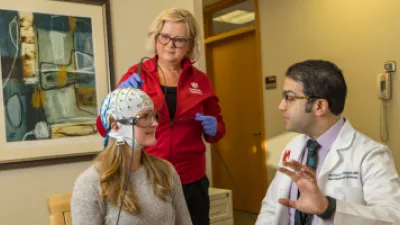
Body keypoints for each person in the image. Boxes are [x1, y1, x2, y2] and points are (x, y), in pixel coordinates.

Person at [95, 8, 225, 225]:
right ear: (155, 38)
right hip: (148, 177)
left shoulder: (202, 81)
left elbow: (218, 131)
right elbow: (104, 127)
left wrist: (214, 128)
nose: (170, 45)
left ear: (190, 43)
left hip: (191, 180)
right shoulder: (136, 74)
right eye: (165, 36)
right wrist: (116, 96)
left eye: (179, 39)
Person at [256, 60, 400, 225]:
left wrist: (328, 208)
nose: (281, 106)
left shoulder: (370, 155)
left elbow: (393, 217)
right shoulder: (293, 147)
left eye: (289, 98)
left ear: (319, 106)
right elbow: (271, 207)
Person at [71, 88, 192, 225]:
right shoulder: (90, 183)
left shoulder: (165, 171)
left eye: (154, 116)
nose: (154, 123)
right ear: (116, 127)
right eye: (145, 117)